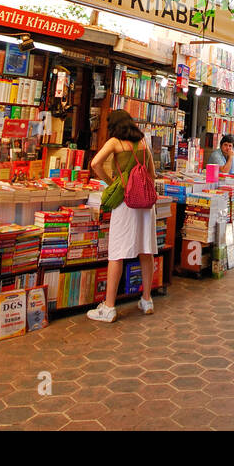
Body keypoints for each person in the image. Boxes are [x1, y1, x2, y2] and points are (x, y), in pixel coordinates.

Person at [86, 109, 158, 323]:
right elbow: (152, 173)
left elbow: (95, 164)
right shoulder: (143, 141)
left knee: (117, 252)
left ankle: (109, 307)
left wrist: (112, 182)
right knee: (146, 249)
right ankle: (147, 300)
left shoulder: (115, 142)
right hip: (145, 202)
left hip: (126, 202)